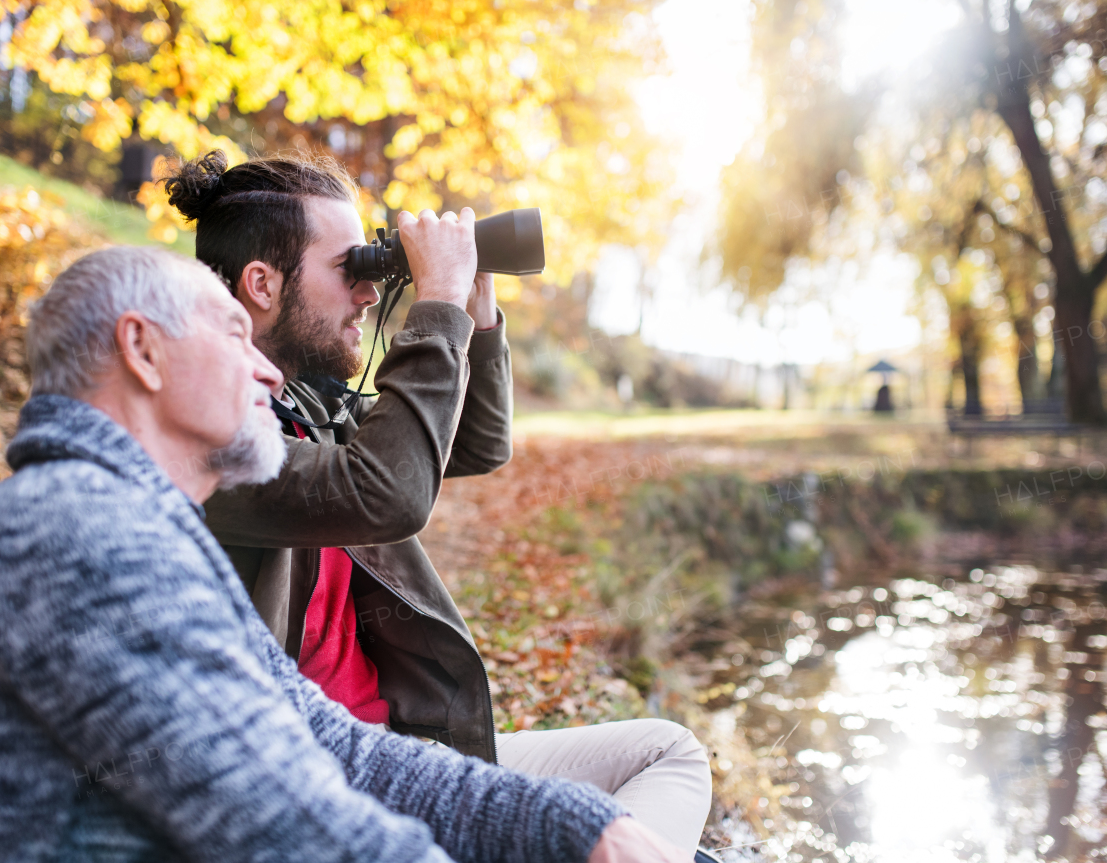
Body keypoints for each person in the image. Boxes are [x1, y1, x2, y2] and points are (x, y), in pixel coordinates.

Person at [0, 246, 689, 863]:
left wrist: (580, 826)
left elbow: (333, 748)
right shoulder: (75, 533)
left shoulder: (135, 523)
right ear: (142, 349)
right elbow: (289, 826)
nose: (267, 367)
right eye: (235, 333)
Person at [164, 151, 714, 855]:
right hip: (316, 789)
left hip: (403, 752)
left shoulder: (307, 410)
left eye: (373, 266)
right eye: (349, 267)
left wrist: (476, 316)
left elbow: (476, 444)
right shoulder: (213, 437)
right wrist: (435, 305)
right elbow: (389, 491)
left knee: (666, 752)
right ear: (262, 283)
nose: (368, 291)